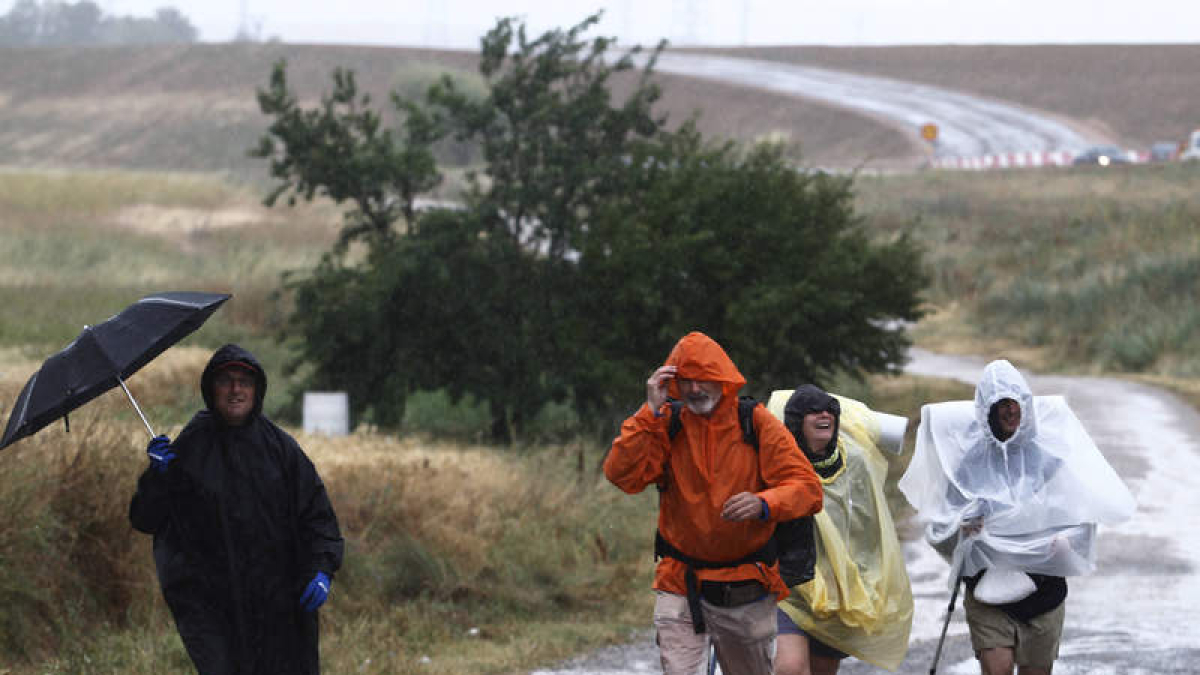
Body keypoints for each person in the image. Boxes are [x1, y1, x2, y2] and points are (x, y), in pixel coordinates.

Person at [604, 331, 823, 675]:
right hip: (679, 581)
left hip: (745, 584)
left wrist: (764, 503)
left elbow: (808, 489)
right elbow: (622, 475)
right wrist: (649, 410)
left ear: (724, 379)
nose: (694, 389)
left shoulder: (756, 422)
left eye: (704, 379)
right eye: (686, 380)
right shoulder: (667, 423)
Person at [899, 359, 1134, 675]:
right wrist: (962, 528)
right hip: (987, 593)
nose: (1010, 411)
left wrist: (1064, 544)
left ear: (1026, 404)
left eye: (1015, 403)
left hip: (1044, 593)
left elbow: (1079, 514)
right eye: (1000, 405)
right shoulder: (967, 468)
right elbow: (942, 525)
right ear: (987, 411)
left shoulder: (1050, 461)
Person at [129, 344, 345, 675]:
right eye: (225, 381)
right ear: (209, 389)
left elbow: (317, 516)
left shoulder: (280, 448)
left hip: (281, 607)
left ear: (257, 390)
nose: (235, 390)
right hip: (215, 609)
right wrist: (157, 478)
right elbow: (147, 519)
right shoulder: (191, 445)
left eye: (244, 382)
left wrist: (321, 570)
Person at [767, 385, 913, 674]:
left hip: (835, 591)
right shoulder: (775, 465)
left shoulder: (855, 462)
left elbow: (870, 527)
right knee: (790, 668)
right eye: (814, 410)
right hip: (789, 587)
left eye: (830, 410)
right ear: (796, 421)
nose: (825, 415)